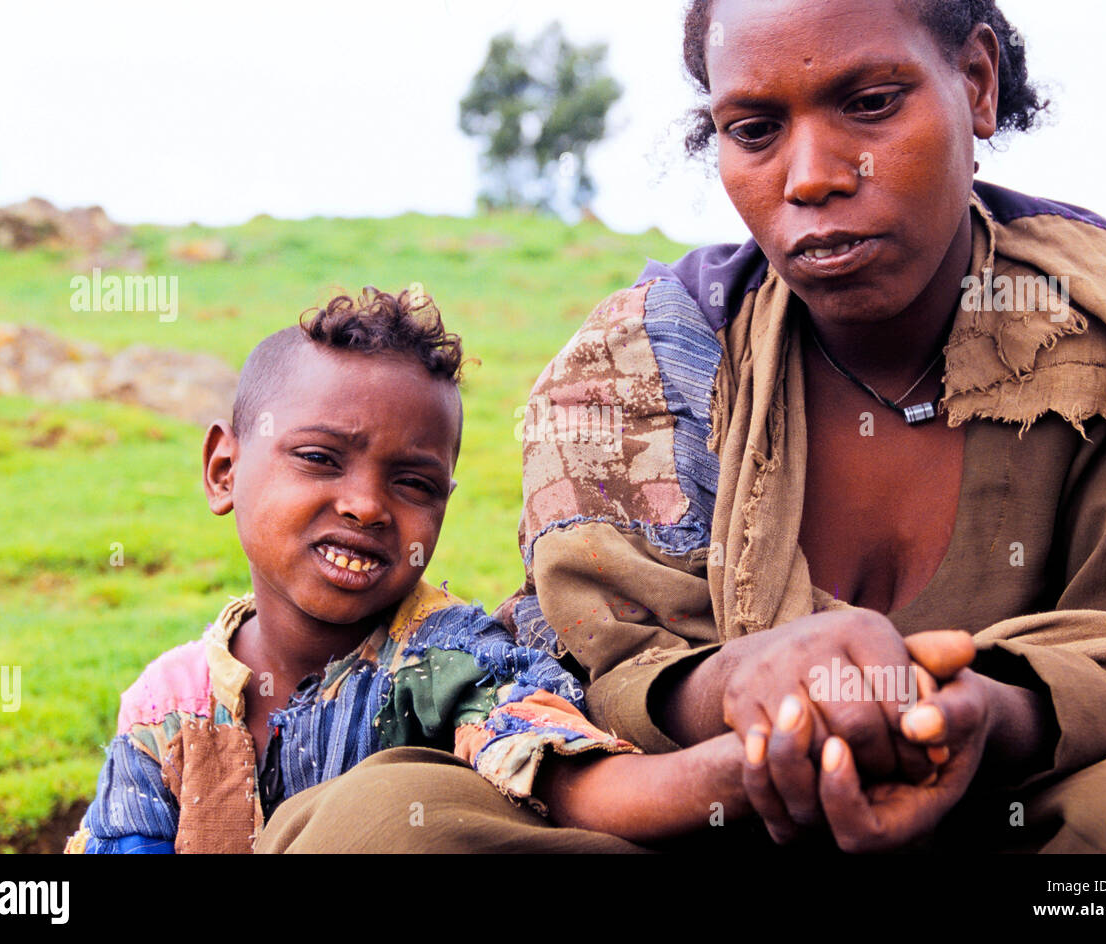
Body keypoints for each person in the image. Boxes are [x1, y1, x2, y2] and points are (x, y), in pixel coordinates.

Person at [259, 0, 1106, 853]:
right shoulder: (642, 362)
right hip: (691, 818)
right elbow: (593, 667)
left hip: (1011, 816)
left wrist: (985, 711)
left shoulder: (1102, 337)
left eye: (871, 102)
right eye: (755, 128)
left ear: (974, 82)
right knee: (383, 826)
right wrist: (736, 684)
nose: (811, 176)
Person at [65, 287, 764, 854]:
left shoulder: (452, 662)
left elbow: (569, 779)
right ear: (224, 470)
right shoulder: (167, 706)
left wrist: (750, 770)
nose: (367, 507)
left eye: (413, 483)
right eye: (319, 458)